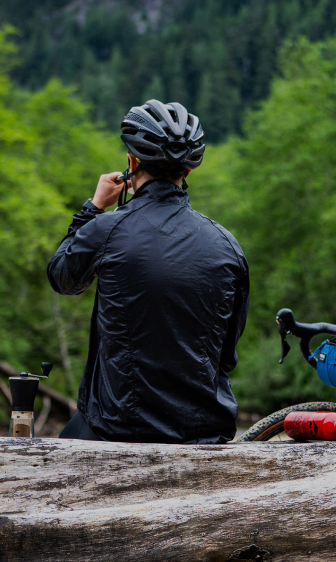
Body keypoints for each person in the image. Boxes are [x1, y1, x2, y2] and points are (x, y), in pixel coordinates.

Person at [47, 99, 250, 443]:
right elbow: (227, 354)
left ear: (131, 163)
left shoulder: (106, 229)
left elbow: (62, 277)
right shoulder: (228, 246)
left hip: (118, 431)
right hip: (206, 434)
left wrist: (93, 208)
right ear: (189, 170)